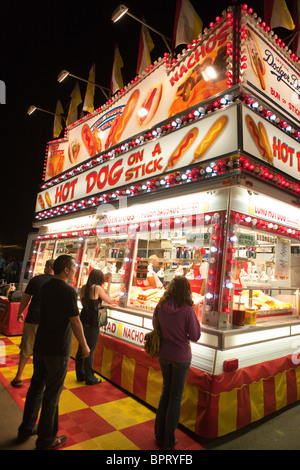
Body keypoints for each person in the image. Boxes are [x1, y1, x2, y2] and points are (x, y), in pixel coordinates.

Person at [17, 255, 90, 450]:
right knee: (52, 395)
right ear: (66, 270)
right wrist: (84, 345)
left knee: (35, 388)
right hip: (58, 349)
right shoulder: (68, 291)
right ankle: (47, 439)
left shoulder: (46, 287)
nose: (76, 270)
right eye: (74, 267)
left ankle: (26, 427)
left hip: (41, 345)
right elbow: (75, 320)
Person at [153, 275, 201, 450]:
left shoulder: (160, 306)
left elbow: (155, 326)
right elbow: (195, 336)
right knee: (175, 396)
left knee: (166, 392)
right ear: (186, 290)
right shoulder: (188, 310)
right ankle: (168, 440)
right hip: (181, 357)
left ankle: (159, 435)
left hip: (164, 355)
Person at [11, 259, 55, 387]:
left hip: (33, 319)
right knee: (45, 352)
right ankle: (42, 379)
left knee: (26, 349)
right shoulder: (59, 283)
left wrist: (20, 313)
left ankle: (18, 377)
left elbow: (26, 298)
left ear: (48, 267)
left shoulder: (36, 280)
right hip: (49, 323)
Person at [75, 269, 114, 385]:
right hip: (92, 323)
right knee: (90, 350)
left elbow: (82, 303)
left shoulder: (84, 287)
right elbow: (110, 301)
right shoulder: (97, 288)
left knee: (81, 348)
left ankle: (80, 374)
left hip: (83, 319)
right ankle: (90, 377)